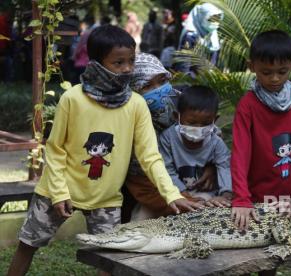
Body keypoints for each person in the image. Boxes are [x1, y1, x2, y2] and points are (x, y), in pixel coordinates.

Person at [7, 25, 201, 276]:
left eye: (131, 61)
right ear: (97, 63)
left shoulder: (136, 105)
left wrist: (172, 194)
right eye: (118, 62)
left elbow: (149, 156)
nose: (127, 69)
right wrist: (58, 193)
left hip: (106, 198)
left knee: (109, 260)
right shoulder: (73, 99)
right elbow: (55, 149)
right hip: (59, 189)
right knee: (27, 245)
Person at [124, 54, 221, 221]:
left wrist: (212, 166)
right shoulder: (130, 128)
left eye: (162, 81)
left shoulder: (184, 106)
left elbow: (213, 139)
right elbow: (142, 186)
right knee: (140, 221)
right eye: (147, 86)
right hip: (159, 196)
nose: (159, 90)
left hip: (198, 188)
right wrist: (181, 200)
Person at [230, 30, 291, 232]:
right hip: (258, 197)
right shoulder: (248, 105)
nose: (274, 78)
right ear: (251, 66)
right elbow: (240, 153)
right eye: (266, 72)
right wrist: (242, 198)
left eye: (282, 72)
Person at [159, 85, 232, 204]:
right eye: (192, 123)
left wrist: (226, 194)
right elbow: (166, 169)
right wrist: (181, 192)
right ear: (177, 117)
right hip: (174, 192)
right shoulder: (168, 138)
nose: (198, 128)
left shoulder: (216, 142)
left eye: (206, 123)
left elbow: (225, 166)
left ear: (215, 119)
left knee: (203, 206)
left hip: (205, 194)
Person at [175, 3, 224, 76]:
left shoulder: (213, 35)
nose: (215, 22)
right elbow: (184, 65)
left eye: (217, 18)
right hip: (192, 82)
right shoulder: (190, 35)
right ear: (202, 17)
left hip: (208, 82)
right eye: (212, 19)